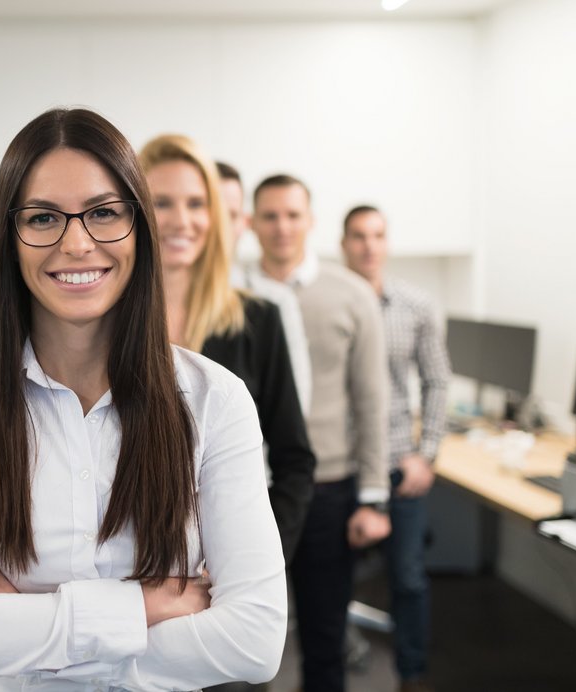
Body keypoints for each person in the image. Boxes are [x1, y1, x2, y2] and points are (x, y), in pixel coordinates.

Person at [0, 108, 287, 691]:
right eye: (43, 217)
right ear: (8, 238)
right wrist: (145, 607)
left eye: (105, 212)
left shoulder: (215, 400)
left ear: (139, 228)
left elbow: (254, 641)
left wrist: (20, 623)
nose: (77, 242)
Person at [141, 134, 315, 565]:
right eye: (162, 202)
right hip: (126, 574)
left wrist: (257, 565)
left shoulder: (259, 321)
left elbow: (294, 461)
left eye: (197, 204)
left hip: (230, 572)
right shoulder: (103, 325)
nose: (182, 220)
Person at [247, 175, 391, 692]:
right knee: (243, 637)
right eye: (270, 215)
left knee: (325, 635)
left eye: (292, 215)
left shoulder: (351, 295)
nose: (282, 227)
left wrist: (373, 498)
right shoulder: (230, 295)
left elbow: (373, 400)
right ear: (250, 222)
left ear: (309, 221)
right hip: (249, 488)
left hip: (329, 488)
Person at [342, 205, 449, 692]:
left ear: (387, 243)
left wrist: (426, 455)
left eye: (378, 236)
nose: (368, 245)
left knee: (407, 579)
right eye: (359, 236)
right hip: (341, 464)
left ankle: (411, 675)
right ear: (344, 244)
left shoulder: (416, 306)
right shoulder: (328, 301)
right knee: (331, 580)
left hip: (398, 465)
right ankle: (330, 670)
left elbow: (437, 381)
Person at [216, 160, 311, 416]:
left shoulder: (272, 302)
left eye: (230, 215)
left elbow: (291, 412)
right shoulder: (150, 300)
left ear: (244, 223)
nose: (218, 226)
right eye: (210, 211)